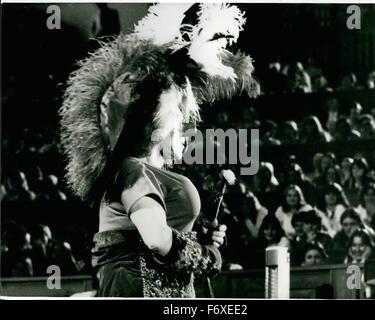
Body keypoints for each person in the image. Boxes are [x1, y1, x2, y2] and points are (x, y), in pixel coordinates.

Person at [59, 3, 260, 298]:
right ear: (153, 126)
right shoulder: (132, 170)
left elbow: (155, 236)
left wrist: (197, 238)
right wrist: (206, 257)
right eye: (178, 113)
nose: (186, 120)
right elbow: (155, 239)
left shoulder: (141, 171)